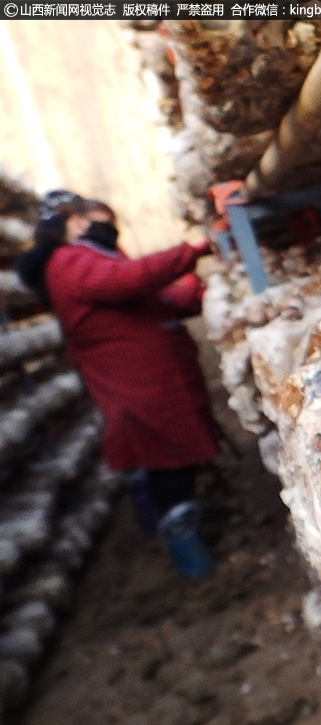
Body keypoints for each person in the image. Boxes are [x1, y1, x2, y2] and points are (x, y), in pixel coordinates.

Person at [18, 196, 220, 577]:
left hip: (153, 383)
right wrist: (189, 252)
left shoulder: (94, 258)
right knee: (166, 466)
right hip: (134, 388)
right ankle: (190, 557)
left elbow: (150, 300)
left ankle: (188, 540)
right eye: (99, 220)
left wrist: (193, 289)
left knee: (174, 463)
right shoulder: (69, 262)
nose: (107, 228)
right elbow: (129, 281)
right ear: (76, 222)